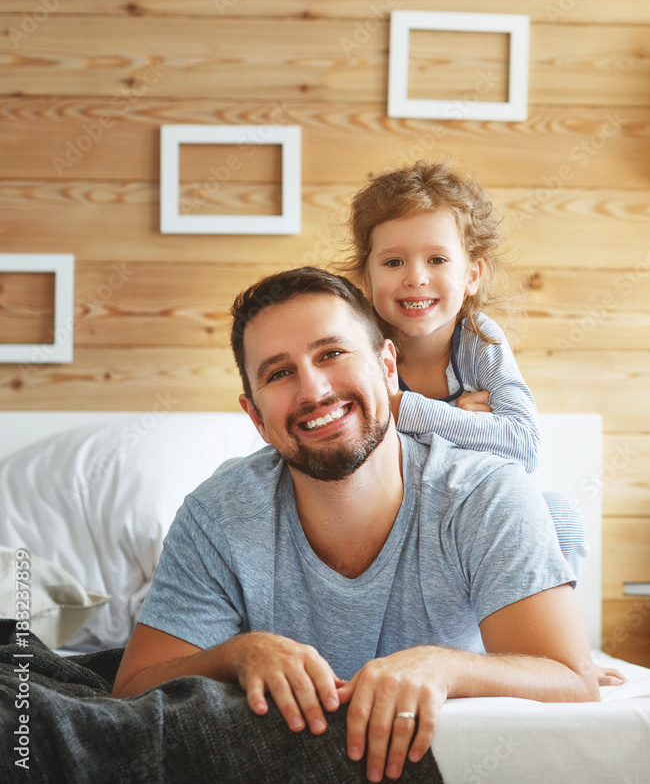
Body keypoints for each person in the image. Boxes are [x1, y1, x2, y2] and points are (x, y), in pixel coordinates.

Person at [112, 267, 600, 783]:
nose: (314, 390)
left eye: (332, 354)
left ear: (388, 367)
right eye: (279, 373)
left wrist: (443, 665)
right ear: (255, 416)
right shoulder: (216, 516)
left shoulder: (484, 493)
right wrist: (238, 654)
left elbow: (573, 679)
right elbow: (132, 689)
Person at [340, 160, 588, 577]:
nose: (416, 278)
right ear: (366, 277)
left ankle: (530, 632)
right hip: (388, 518)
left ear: (472, 273)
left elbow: (524, 446)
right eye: (393, 262)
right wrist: (464, 425)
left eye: (437, 259)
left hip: (473, 506)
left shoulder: (478, 340)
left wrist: (404, 409)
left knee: (561, 516)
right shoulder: (359, 349)